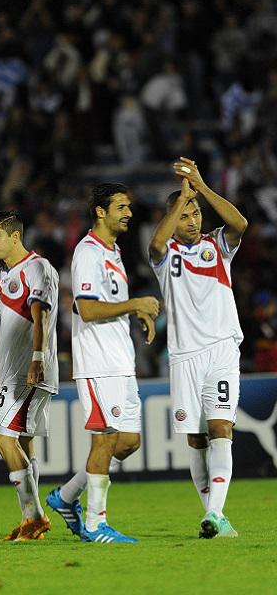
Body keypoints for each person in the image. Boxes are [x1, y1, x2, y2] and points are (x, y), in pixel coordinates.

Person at [45, 184, 159, 543]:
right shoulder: (88, 253)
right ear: (100, 211)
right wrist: (135, 304)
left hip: (120, 359)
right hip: (98, 361)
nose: (128, 213)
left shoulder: (114, 251)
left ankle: (65, 497)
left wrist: (135, 313)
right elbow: (87, 308)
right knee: (105, 440)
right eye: (121, 207)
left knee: (128, 442)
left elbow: (109, 302)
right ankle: (95, 525)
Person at [148, 157, 248, 538]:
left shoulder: (218, 247)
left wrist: (201, 189)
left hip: (222, 349)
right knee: (196, 437)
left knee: (222, 426)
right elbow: (157, 242)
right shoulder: (165, 255)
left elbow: (240, 225)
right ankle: (213, 516)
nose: (194, 220)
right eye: (186, 215)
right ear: (174, 217)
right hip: (184, 355)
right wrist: (179, 200)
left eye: (196, 214)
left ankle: (215, 513)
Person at [0, 211, 59, 542]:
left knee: (2, 440)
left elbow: (40, 313)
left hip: (31, 371)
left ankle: (35, 517)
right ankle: (30, 521)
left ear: (15, 237)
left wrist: (37, 358)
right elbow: (7, 331)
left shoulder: (37, 268)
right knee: (24, 445)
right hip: (13, 374)